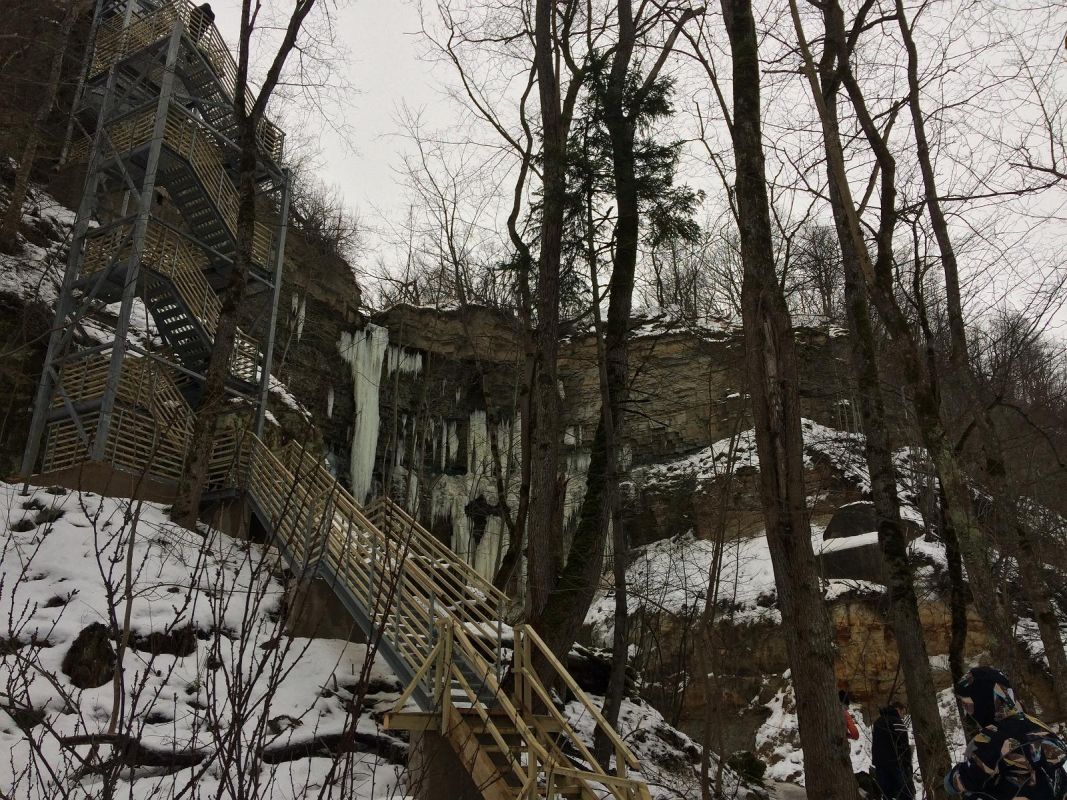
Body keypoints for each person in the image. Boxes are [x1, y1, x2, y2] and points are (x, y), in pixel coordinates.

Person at [945, 666, 1067, 798]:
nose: (969, 713)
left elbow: (968, 777)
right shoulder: (1034, 722)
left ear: (984, 701)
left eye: (968, 706)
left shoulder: (994, 736)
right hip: (1055, 791)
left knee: (974, 792)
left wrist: (951, 779)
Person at [872, 701, 914, 800]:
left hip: (880, 764)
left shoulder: (878, 722)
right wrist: (908, 765)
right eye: (903, 713)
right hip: (896, 764)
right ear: (898, 709)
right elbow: (904, 746)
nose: (902, 716)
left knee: (887, 795)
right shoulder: (897, 722)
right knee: (905, 794)